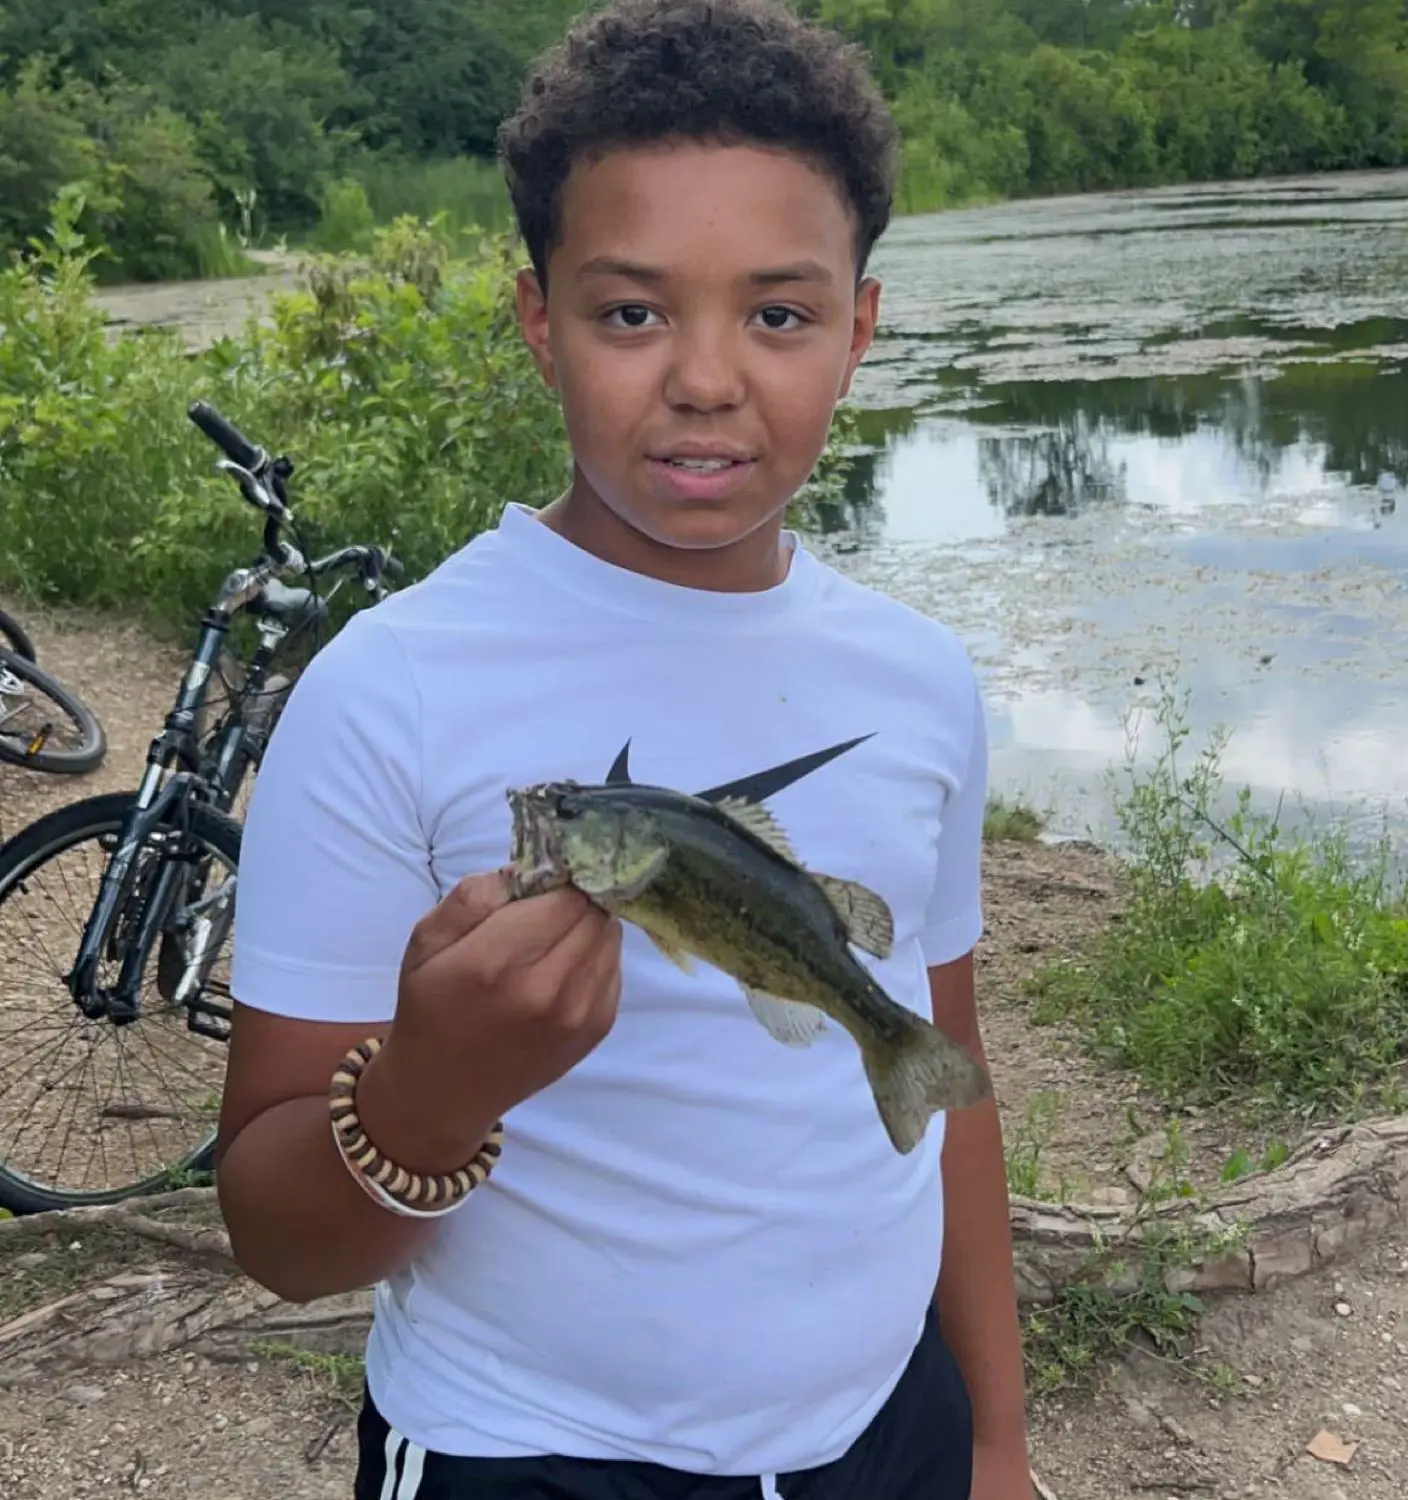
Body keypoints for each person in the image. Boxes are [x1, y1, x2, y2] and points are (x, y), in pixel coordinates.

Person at [215, 1, 1033, 1496]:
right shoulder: (387, 689)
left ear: (861, 327)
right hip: (528, 1456)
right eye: (632, 312)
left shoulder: (919, 680)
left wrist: (992, 1437)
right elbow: (274, 1242)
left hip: (887, 1432)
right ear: (540, 322)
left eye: (778, 314)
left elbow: (935, 1080)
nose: (708, 379)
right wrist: (428, 1097)